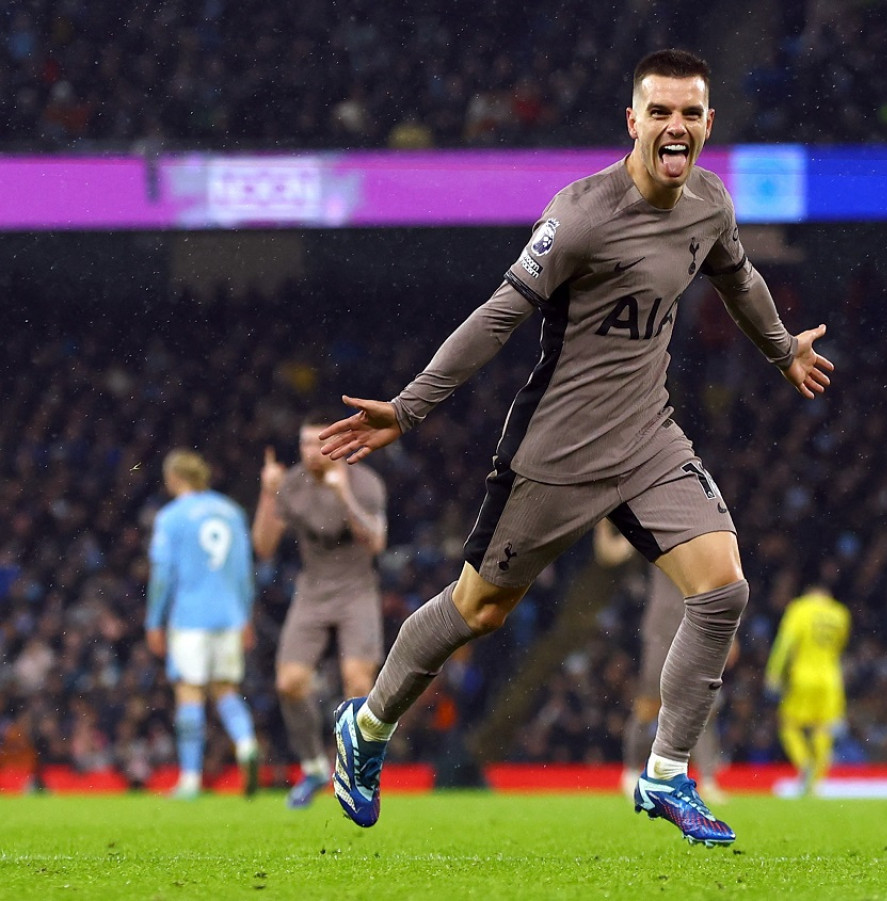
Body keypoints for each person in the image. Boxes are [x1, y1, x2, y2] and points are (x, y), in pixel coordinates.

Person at [318, 48, 833, 846]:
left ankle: (665, 775)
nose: (675, 126)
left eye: (690, 113)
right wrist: (411, 407)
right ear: (633, 121)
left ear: (707, 125)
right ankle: (369, 726)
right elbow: (498, 314)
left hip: (649, 440)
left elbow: (738, 276)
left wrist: (780, 350)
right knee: (478, 609)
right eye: (659, 111)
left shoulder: (709, 204)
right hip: (554, 452)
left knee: (723, 588)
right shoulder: (582, 213)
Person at [252, 412, 388, 809]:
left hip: (356, 591)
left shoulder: (364, 481)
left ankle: (357, 775)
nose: (312, 452)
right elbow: (263, 546)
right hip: (312, 592)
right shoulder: (291, 484)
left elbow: (376, 542)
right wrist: (266, 494)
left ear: (338, 442)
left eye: (319, 443)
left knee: (357, 681)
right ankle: (314, 766)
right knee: (289, 683)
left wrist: (343, 494)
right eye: (305, 444)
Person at [145, 449, 259, 800]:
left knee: (189, 692)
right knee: (224, 689)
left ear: (174, 478)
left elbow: (163, 575)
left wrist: (154, 621)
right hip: (228, 615)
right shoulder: (233, 512)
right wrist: (245, 616)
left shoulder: (170, 518)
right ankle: (246, 743)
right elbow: (243, 572)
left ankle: (191, 780)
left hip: (190, 617)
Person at [594, 521, 732, 804]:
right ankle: (631, 771)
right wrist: (603, 523)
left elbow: (723, 582)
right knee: (648, 706)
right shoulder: (656, 531)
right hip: (661, 632)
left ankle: (707, 780)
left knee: (701, 707)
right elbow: (610, 554)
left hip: (697, 629)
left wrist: (731, 630)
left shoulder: (704, 534)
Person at [764, 585, 850, 796]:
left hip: (802, 676)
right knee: (823, 728)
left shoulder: (799, 609)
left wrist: (774, 672)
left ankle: (805, 764)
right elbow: (840, 647)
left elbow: (786, 643)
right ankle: (817, 781)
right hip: (831, 678)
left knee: (788, 724)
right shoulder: (840, 613)